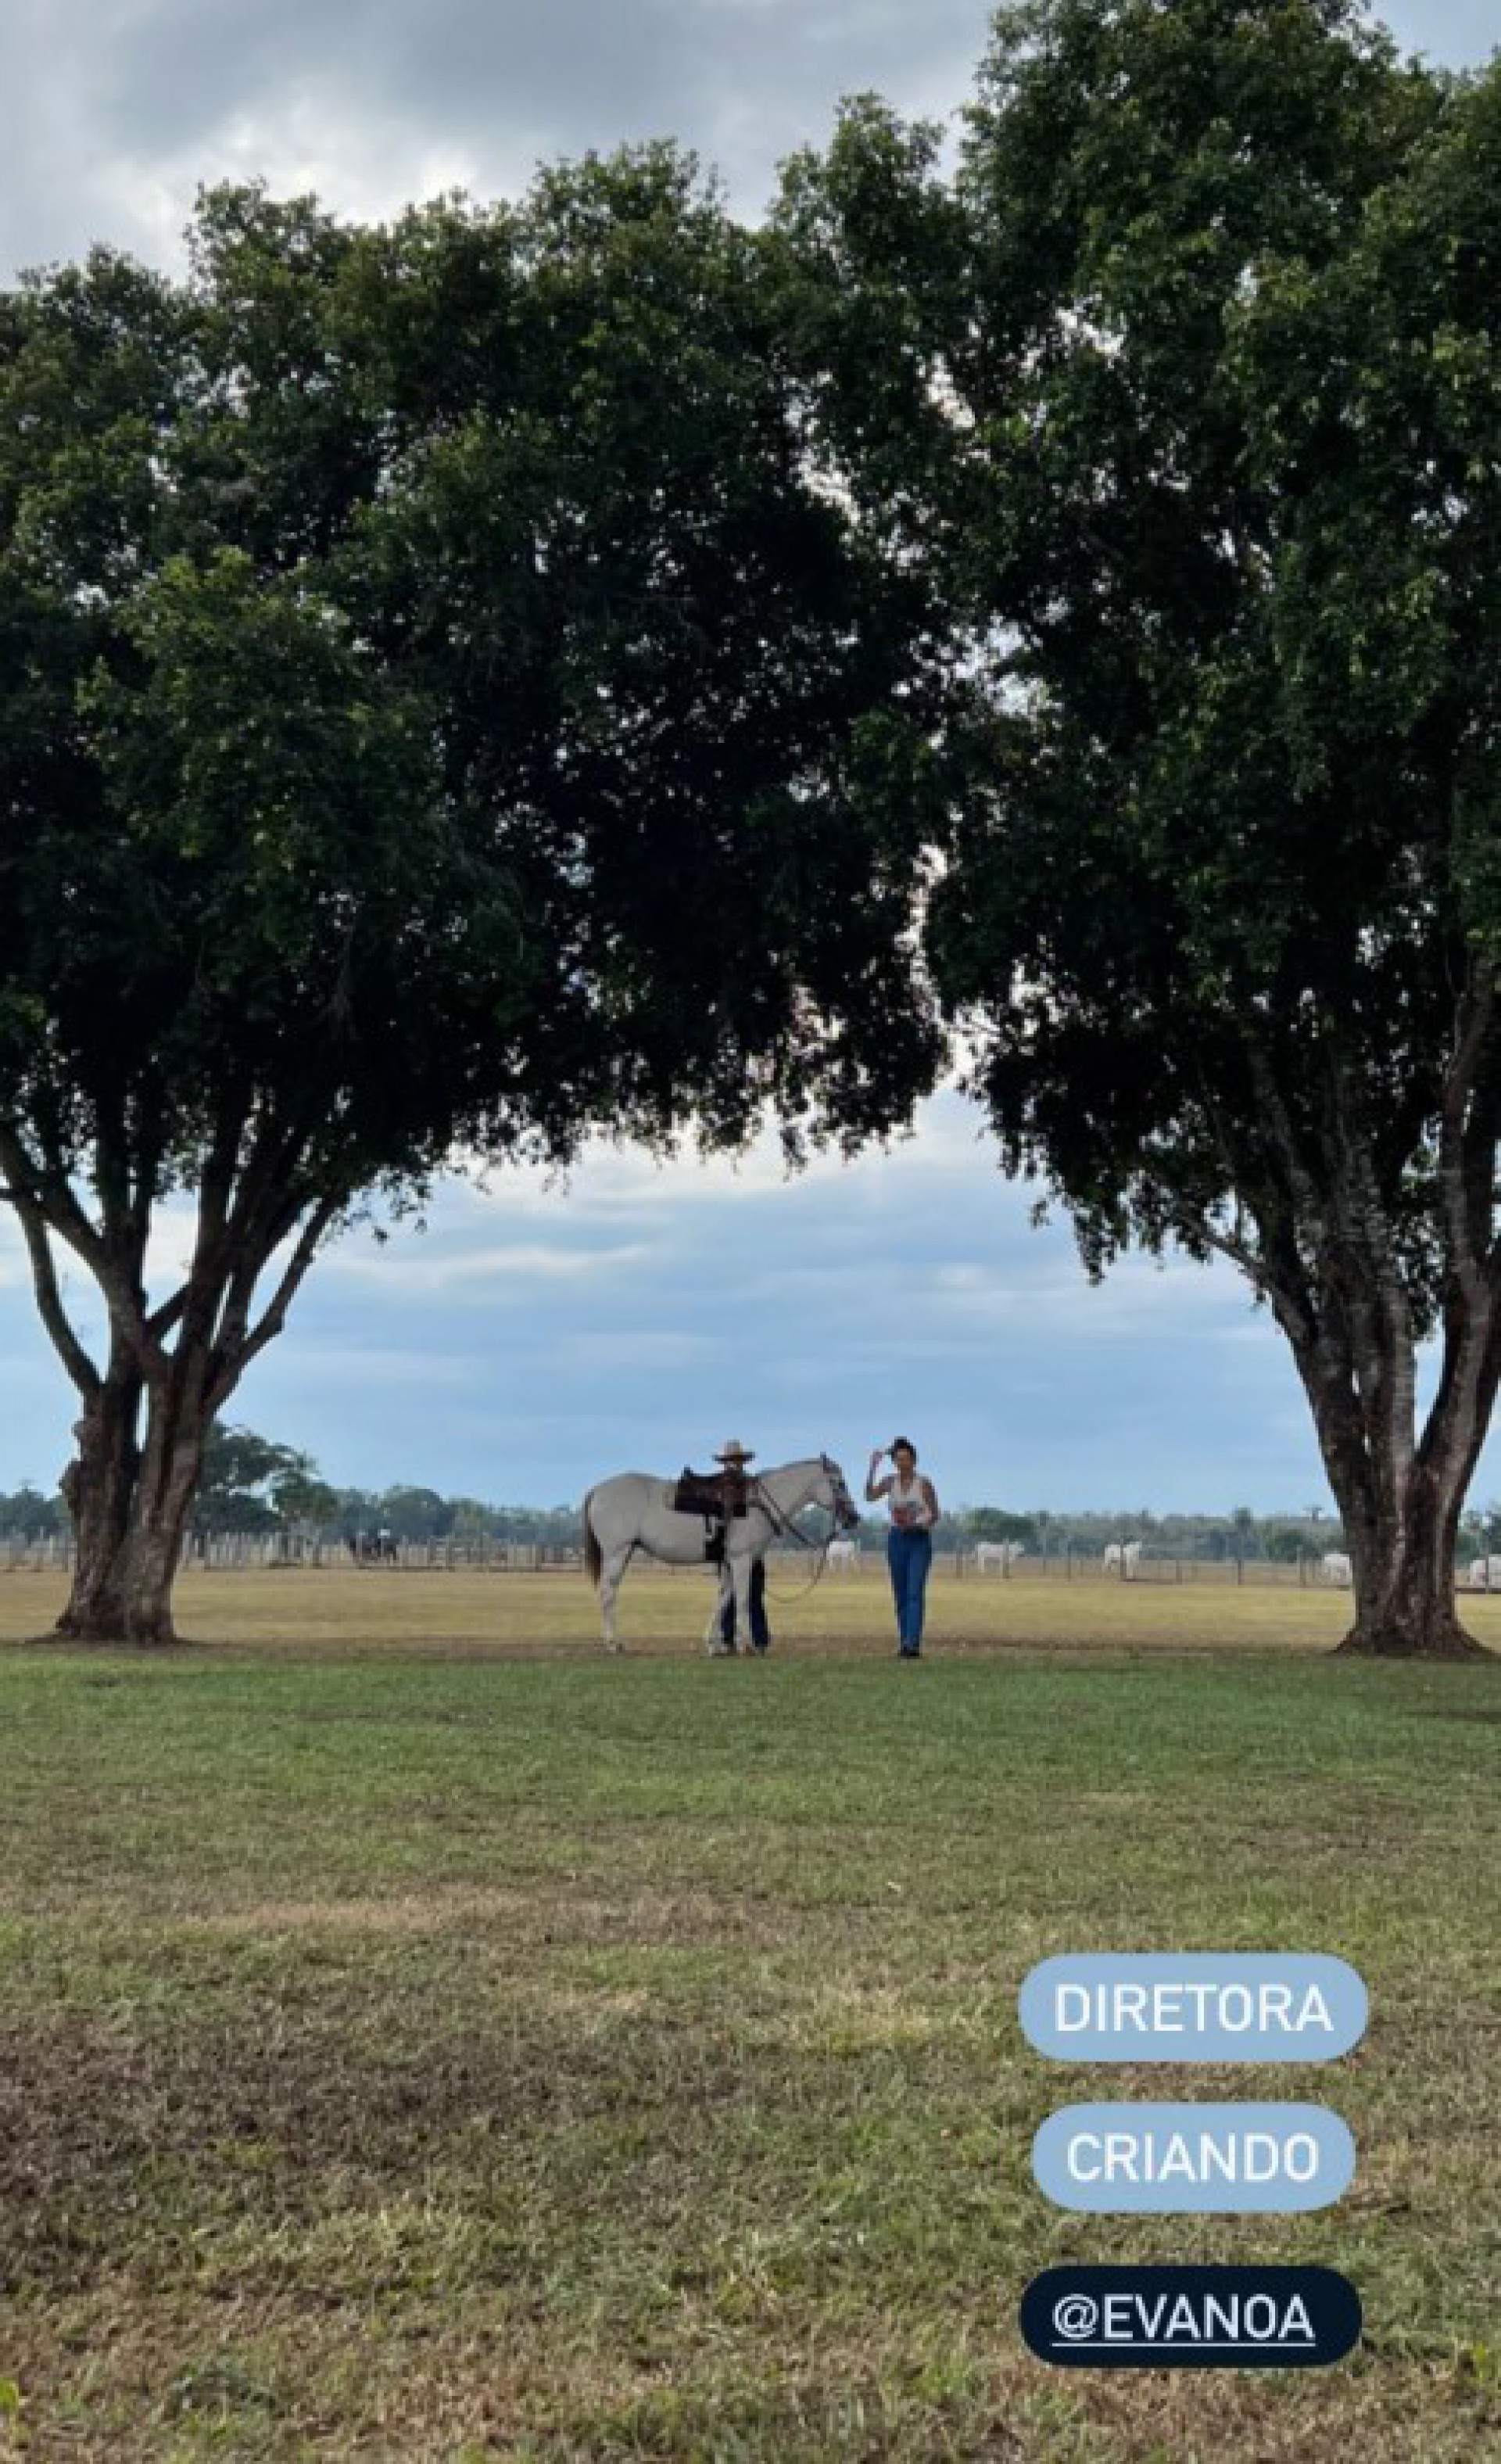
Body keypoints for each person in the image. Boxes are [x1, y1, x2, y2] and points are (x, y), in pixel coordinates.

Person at [866, 1436, 940, 1657]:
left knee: (914, 1592)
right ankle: (904, 1641)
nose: (902, 1464)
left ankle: (912, 1644)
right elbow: (869, 1496)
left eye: (906, 1459)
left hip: (918, 1539)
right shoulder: (890, 1482)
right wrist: (872, 1467)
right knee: (900, 1593)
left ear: (914, 1460)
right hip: (897, 1539)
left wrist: (918, 1524)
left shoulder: (924, 1484)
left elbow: (935, 1514)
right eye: (898, 1460)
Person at [711, 1440, 771, 1652]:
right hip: (734, 1551)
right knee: (734, 1595)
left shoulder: (751, 1484)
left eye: (738, 1460)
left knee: (752, 1595)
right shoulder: (723, 1486)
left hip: (751, 1550)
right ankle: (732, 1638)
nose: (735, 1464)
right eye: (732, 1460)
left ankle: (756, 1639)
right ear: (726, 1462)